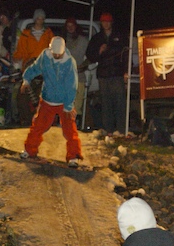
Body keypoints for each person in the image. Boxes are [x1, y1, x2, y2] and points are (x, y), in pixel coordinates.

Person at [19, 36, 82, 166]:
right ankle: (29, 150)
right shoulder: (45, 57)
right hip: (47, 99)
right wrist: (26, 80)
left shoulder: (69, 62)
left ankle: (73, 156)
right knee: (38, 126)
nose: (57, 56)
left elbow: (72, 86)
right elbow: (35, 68)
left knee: (70, 130)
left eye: (59, 54)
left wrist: (68, 106)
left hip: (64, 102)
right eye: (55, 54)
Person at [85, 12, 129, 134]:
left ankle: (121, 130)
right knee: (106, 103)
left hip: (117, 74)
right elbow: (90, 55)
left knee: (120, 102)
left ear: (111, 23)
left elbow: (126, 54)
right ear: (101, 23)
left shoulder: (120, 36)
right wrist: (99, 51)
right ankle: (108, 129)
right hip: (103, 75)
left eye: (108, 21)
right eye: (104, 21)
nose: (106, 24)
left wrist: (126, 72)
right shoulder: (97, 38)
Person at [62, 17, 89, 126]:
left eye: (72, 25)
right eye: (68, 26)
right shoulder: (61, 41)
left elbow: (90, 56)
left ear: (76, 26)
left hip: (79, 76)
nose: (70, 28)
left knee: (77, 103)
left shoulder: (83, 41)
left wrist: (84, 65)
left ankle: (74, 124)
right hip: (65, 77)